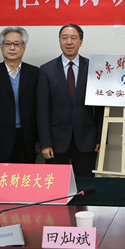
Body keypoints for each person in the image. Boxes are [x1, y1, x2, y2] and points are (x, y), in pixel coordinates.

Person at [37, 23, 102, 177]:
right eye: (64, 38)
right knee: (56, 184)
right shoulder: (46, 69)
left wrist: (100, 138)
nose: (68, 42)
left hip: (87, 139)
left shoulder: (93, 68)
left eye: (73, 38)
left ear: (81, 41)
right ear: (59, 41)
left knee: (85, 184)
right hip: (56, 141)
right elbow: (42, 110)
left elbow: (100, 108)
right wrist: (45, 143)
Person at [0, 27, 40, 164]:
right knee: (2, 177)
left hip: (28, 139)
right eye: (7, 44)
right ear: (1, 47)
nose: (12, 48)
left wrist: (39, 139)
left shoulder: (35, 74)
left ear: (23, 48)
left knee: (25, 176)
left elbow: (41, 109)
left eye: (16, 44)